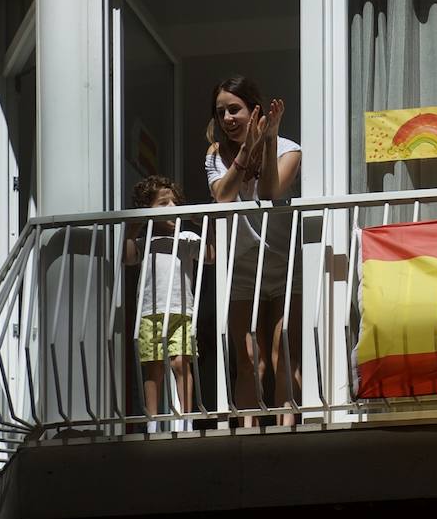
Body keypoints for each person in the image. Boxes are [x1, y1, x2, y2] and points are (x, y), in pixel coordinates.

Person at [205, 76, 303, 426]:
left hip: (281, 261)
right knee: (247, 357)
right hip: (240, 264)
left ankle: (286, 432)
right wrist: (247, 150)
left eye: (235, 109)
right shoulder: (216, 156)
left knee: (284, 354)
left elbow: (271, 192)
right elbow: (223, 196)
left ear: (254, 109)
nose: (228, 118)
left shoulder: (289, 149)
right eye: (221, 113)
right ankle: (247, 432)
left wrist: (269, 138)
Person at [124, 176, 205, 434]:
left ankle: (185, 420)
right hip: (149, 311)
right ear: (149, 210)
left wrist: (204, 222)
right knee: (154, 368)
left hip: (182, 309)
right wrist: (135, 225)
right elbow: (126, 257)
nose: (171, 207)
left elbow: (211, 257)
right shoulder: (143, 241)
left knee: (181, 363)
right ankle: (153, 421)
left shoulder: (187, 237)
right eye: (163, 203)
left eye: (175, 202)